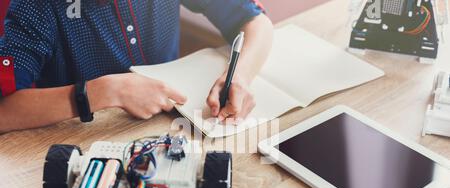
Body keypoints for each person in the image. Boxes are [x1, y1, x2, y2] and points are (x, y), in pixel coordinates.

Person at [0, 0, 273, 133]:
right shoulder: (36, 6)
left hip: (177, 127)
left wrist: (240, 76)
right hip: (85, 145)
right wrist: (106, 91)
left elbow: (255, 22)